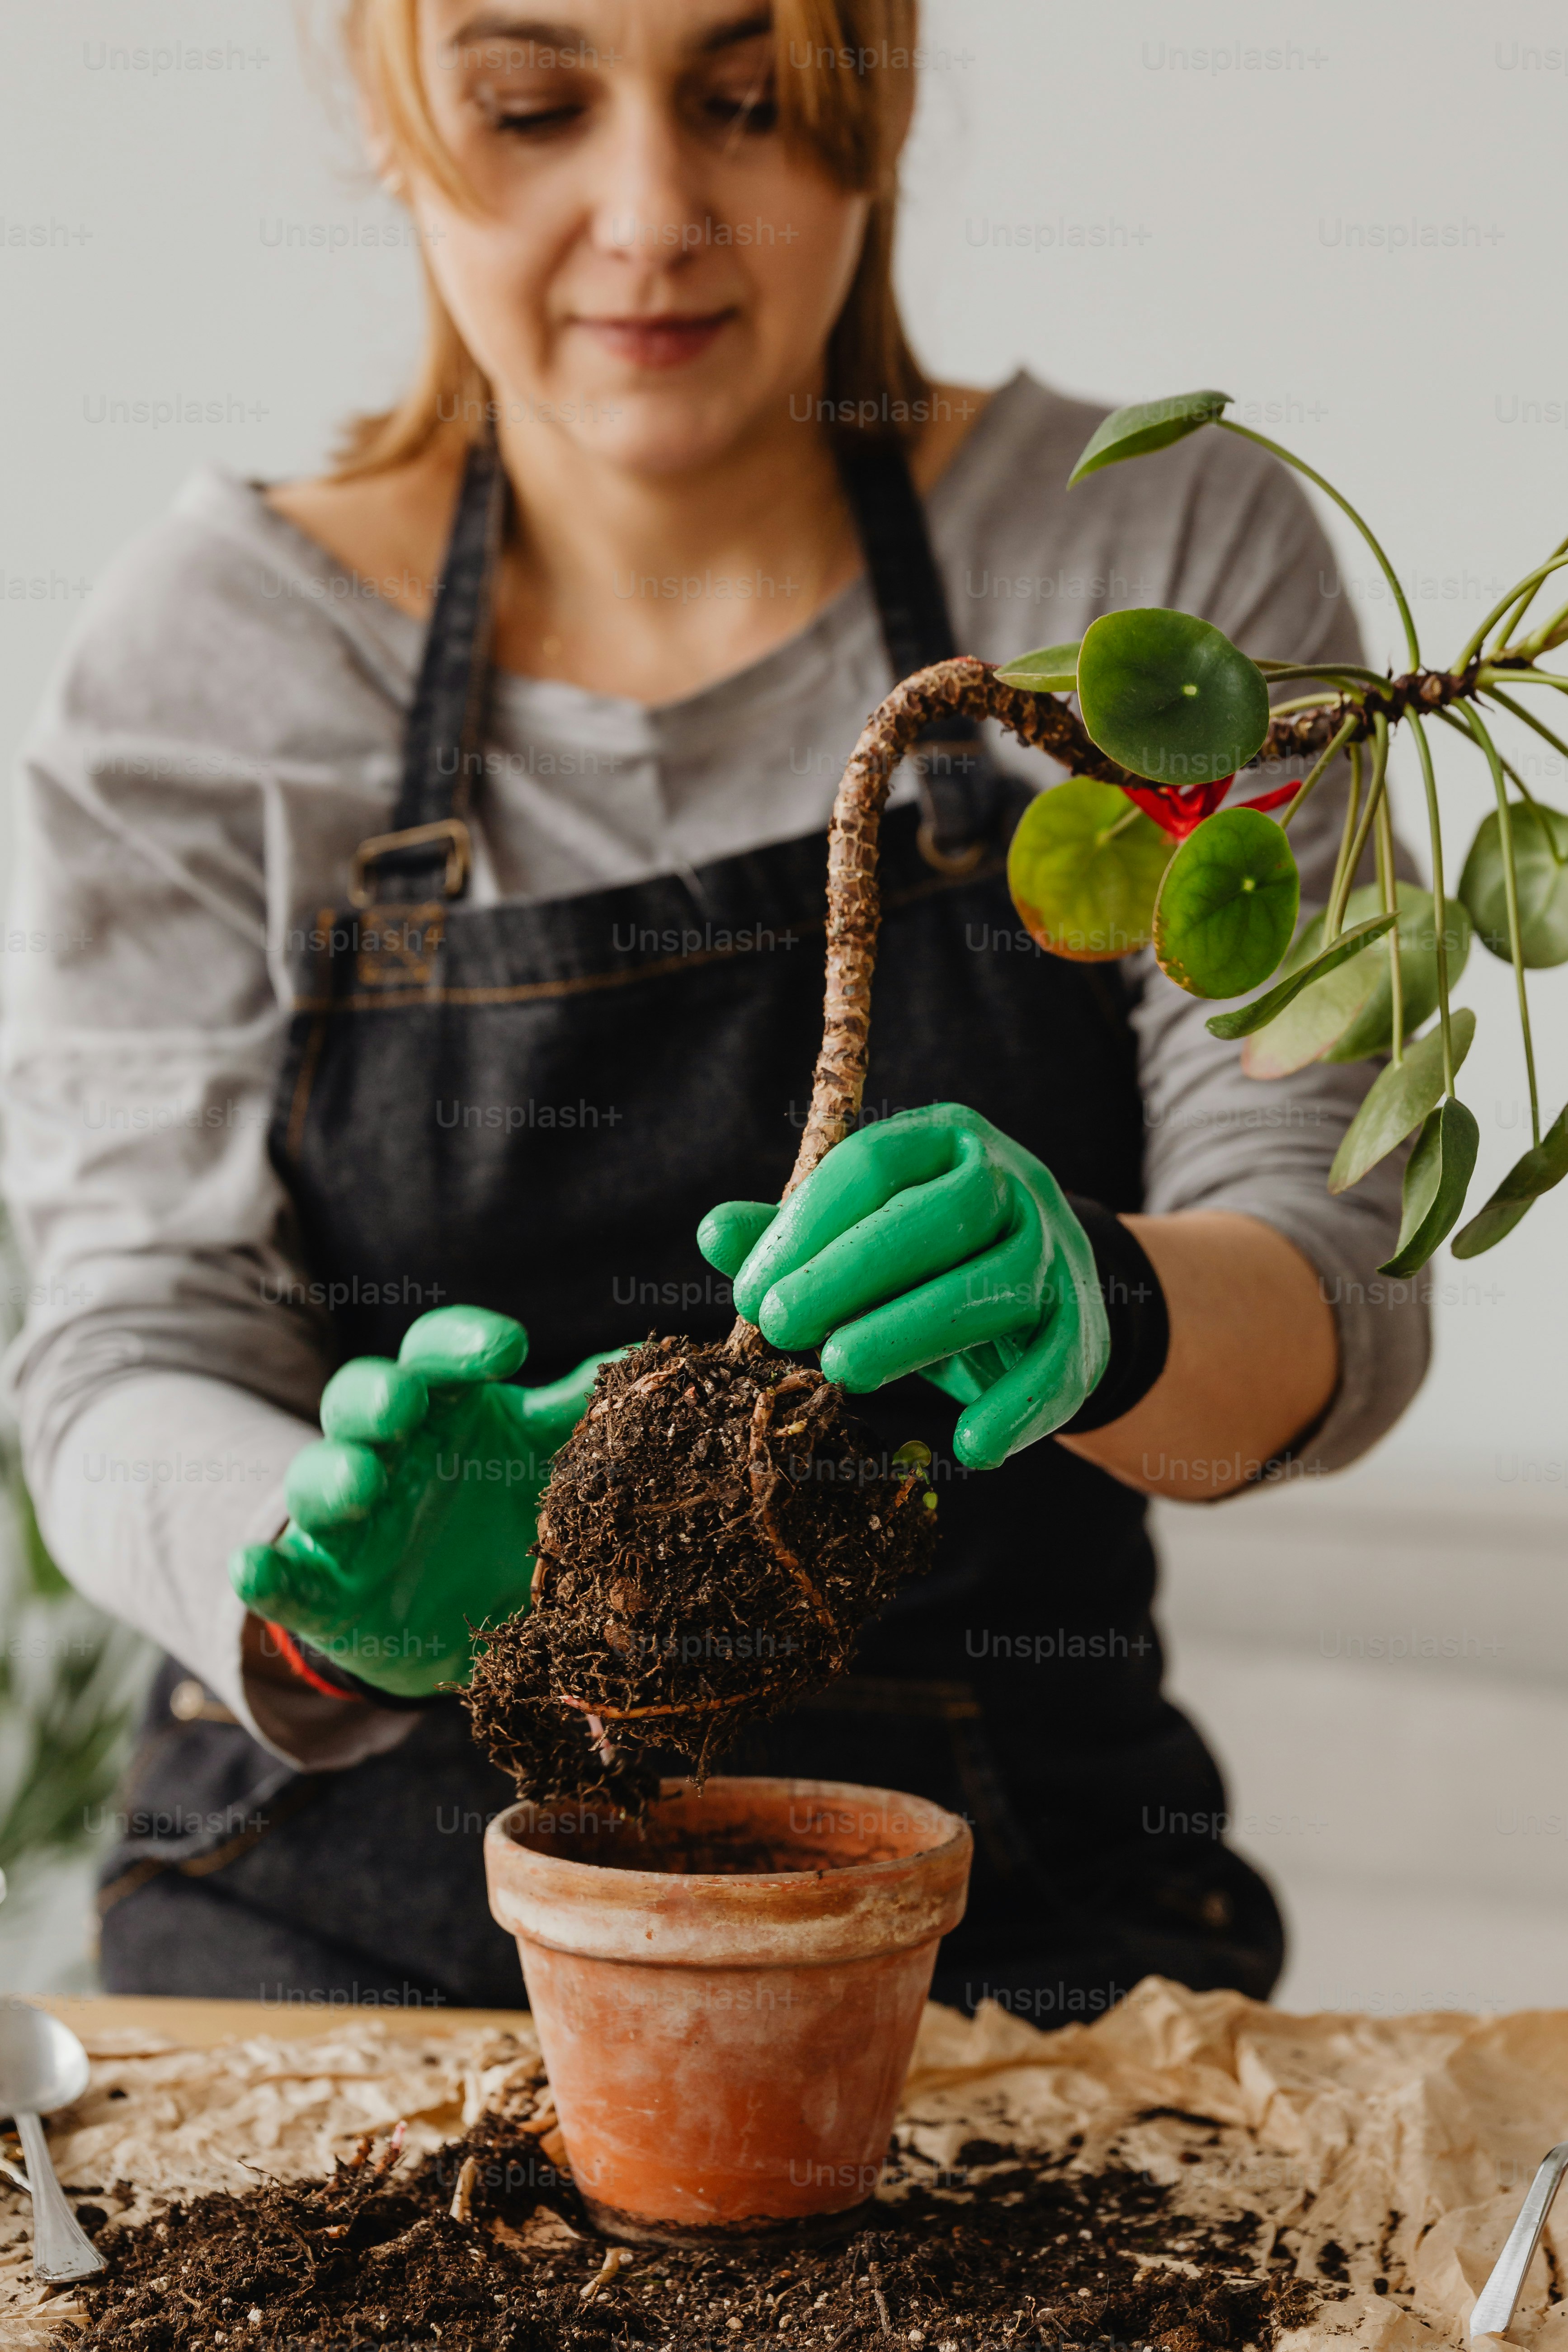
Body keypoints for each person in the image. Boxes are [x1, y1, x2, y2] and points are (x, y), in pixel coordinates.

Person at [2, 0, 1425, 2020]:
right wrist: (322, 1585)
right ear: (393, 111)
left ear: (882, 99)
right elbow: (124, 1338)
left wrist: (1107, 1300)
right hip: (338, 1932)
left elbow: (1329, 1260)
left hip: (993, 1924)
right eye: (529, 106)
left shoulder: (1149, 576)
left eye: (748, 102)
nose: (654, 213)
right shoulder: (213, 660)